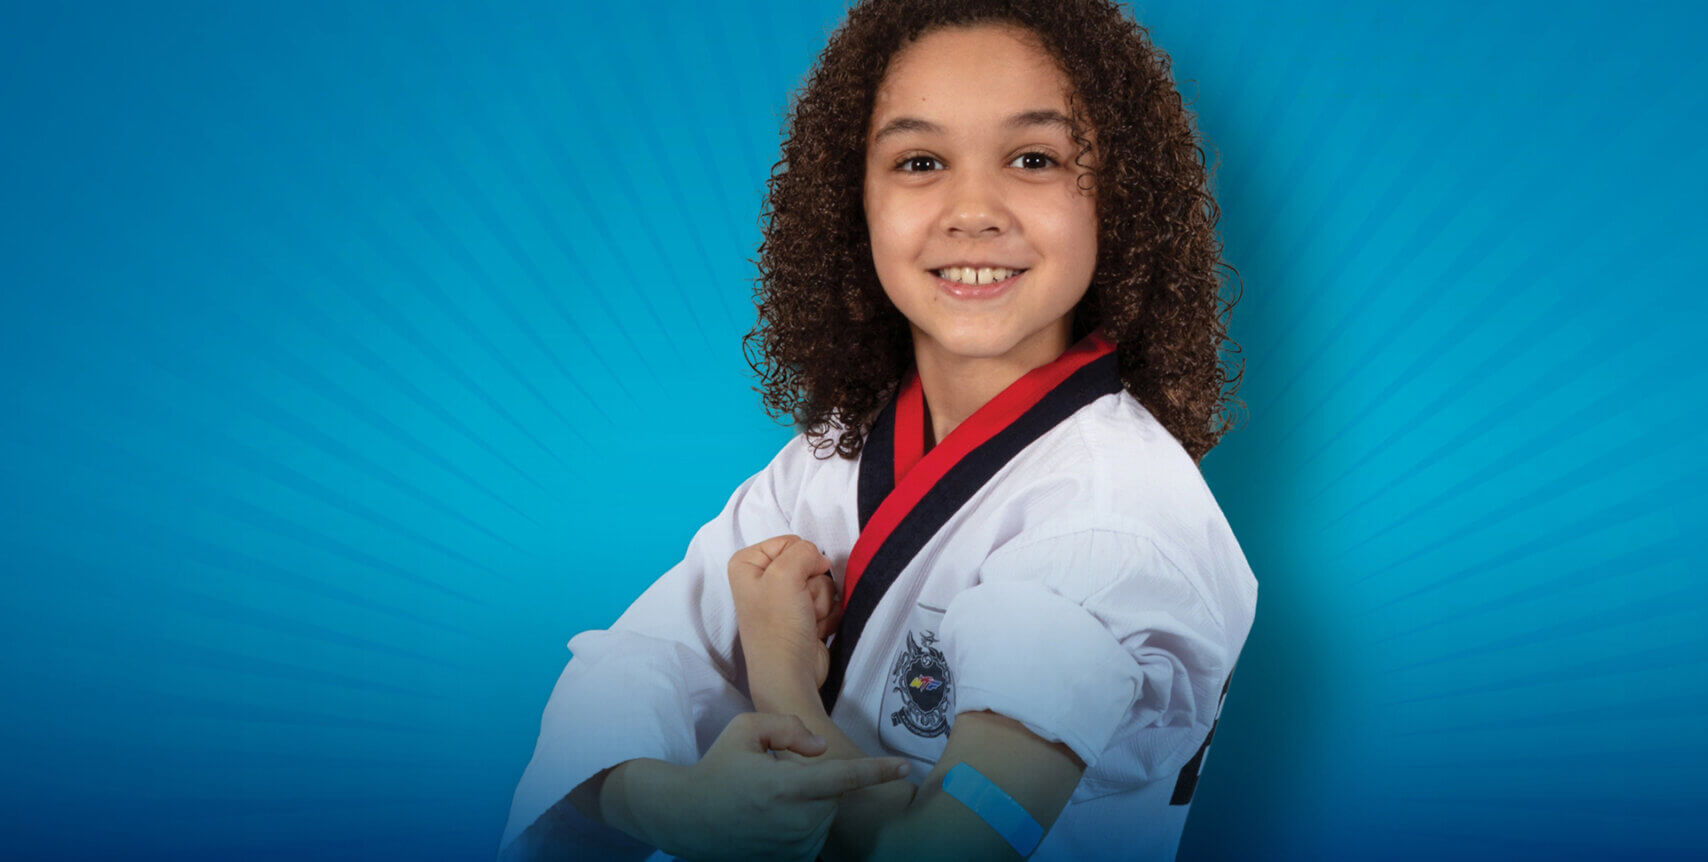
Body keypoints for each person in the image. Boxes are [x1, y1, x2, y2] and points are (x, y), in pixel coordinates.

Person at [500, 0, 1254, 859]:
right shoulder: (829, 459)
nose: (973, 209)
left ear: (1117, 199)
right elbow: (634, 666)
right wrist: (669, 804)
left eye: (1034, 158)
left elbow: (941, 847)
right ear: (851, 200)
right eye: (920, 160)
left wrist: (782, 669)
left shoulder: (1117, 519)